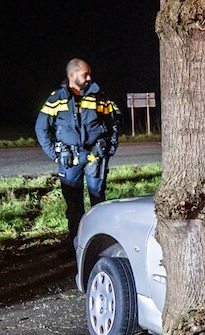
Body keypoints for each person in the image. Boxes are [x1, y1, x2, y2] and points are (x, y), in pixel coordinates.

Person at [35, 58, 120, 250]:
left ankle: (101, 244)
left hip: (94, 158)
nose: (89, 78)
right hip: (69, 159)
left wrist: (109, 148)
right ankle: (76, 244)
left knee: (98, 200)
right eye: (85, 74)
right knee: (74, 205)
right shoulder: (56, 98)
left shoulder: (99, 96)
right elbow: (41, 127)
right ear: (72, 75)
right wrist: (54, 154)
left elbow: (114, 122)